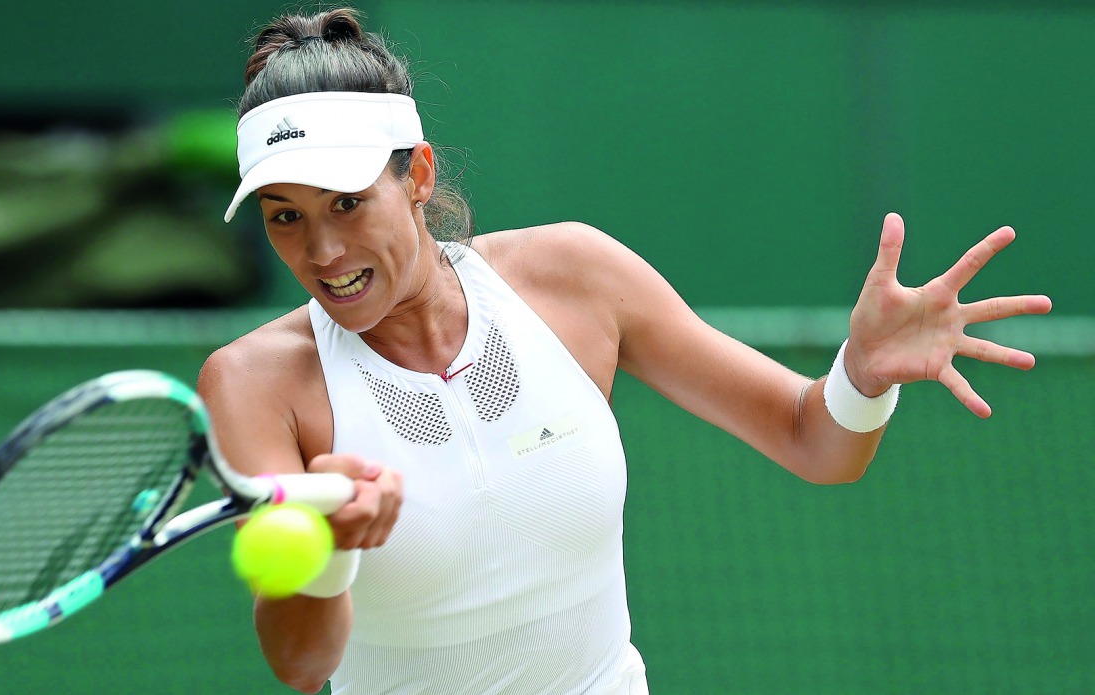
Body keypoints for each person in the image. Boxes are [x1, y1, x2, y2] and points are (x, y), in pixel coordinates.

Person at [197, 7, 1052, 694]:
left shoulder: (573, 275)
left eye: (347, 203)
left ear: (417, 174)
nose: (322, 252)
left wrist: (861, 376)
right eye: (285, 216)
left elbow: (814, 439)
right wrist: (331, 545)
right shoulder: (253, 382)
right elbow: (300, 665)